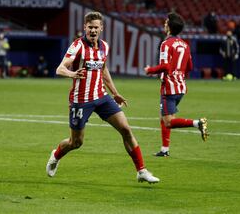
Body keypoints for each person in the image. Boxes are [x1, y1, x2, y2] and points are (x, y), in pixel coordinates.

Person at [46, 11, 160, 184]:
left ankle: (141, 170)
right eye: (90, 27)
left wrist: (115, 93)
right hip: (81, 100)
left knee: (126, 129)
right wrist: (72, 74)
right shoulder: (77, 46)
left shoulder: (104, 46)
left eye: (96, 28)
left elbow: (104, 69)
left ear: (101, 29)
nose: (93, 31)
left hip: (102, 96)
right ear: (85, 27)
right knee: (76, 142)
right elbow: (59, 68)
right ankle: (55, 155)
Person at [144, 12, 209, 157]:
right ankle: (164, 150)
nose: (164, 23)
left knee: (168, 122)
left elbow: (165, 66)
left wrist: (150, 70)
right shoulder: (185, 45)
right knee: (164, 118)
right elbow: (190, 67)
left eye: (166, 22)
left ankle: (197, 123)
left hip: (169, 88)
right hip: (180, 87)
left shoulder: (166, 44)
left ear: (169, 27)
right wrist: (179, 73)